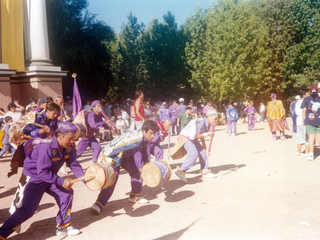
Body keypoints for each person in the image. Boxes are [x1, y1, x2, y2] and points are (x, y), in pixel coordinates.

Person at [0, 122, 84, 238]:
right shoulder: (46, 147)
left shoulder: (68, 147)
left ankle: (63, 226)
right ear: (60, 136)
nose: (72, 142)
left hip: (49, 176)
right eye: (70, 139)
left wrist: (86, 179)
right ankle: (2, 233)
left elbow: (74, 164)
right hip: (34, 178)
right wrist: (62, 181)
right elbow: (42, 172)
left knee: (66, 194)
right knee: (28, 210)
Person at [90, 121, 159, 214]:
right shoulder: (137, 138)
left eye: (154, 134)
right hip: (113, 156)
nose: (152, 136)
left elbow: (145, 152)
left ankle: (134, 196)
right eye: (151, 133)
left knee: (137, 173)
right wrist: (145, 170)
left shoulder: (143, 137)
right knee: (112, 179)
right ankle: (98, 204)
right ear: (144, 130)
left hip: (126, 156)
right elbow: (138, 157)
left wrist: (147, 166)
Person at [172, 110, 219, 183]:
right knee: (193, 153)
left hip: (193, 139)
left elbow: (201, 133)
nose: (216, 121)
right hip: (186, 138)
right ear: (209, 117)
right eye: (215, 118)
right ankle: (181, 171)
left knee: (203, 152)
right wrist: (207, 134)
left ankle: (205, 171)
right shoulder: (201, 123)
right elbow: (195, 136)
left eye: (217, 119)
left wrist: (203, 143)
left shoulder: (208, 123)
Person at [301, 85, 320, 161]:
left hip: (309, 120)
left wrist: (303, 120)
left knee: (311, 138)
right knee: (319, 138)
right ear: (317, 90)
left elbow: (304, 110)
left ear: (309, 91)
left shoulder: (306, 99)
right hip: (319, 120)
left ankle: (311, 154)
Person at [295, 90, 309, 156]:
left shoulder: (297, 102)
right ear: (304, 94)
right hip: (304, 119)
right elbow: (304, 111)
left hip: (298, 120)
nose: (309, 94)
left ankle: (298, 151)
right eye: (308, 93)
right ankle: (307, 151)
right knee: (306, 136)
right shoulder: (305, 101)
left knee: (300, 135)